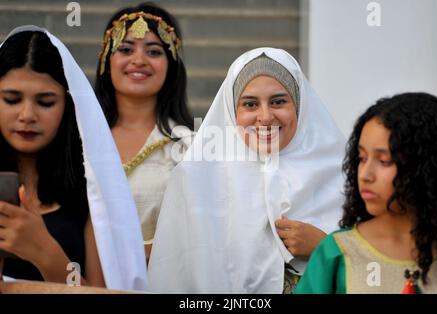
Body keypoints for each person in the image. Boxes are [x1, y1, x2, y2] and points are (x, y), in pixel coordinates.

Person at [148, 47, 346, 293]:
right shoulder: (196, 181)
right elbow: (171, 278)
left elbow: (383, 270)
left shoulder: (342, 174)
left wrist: (325, 247)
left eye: (278, 101)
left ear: (300, 106)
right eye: (250, 104)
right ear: (232, 112)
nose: (265, 117)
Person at [0, 25, 148, 291]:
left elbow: (105, 291)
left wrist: (43, 250)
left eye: (45, 102)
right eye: (11, 99)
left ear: (69, 107)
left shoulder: (91, 193)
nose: (27, 115)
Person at [294, 93, 437, 294]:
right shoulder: (337, 253)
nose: (365, 175)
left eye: (384, 161)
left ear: (429, 167)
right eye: (361, 158)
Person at [95, 2, 194, 263]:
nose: (138, 60)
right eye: (126, 49)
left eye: (153, 51)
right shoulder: (77, 137)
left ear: (171, 65)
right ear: (106, 59)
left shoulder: (191, 146)